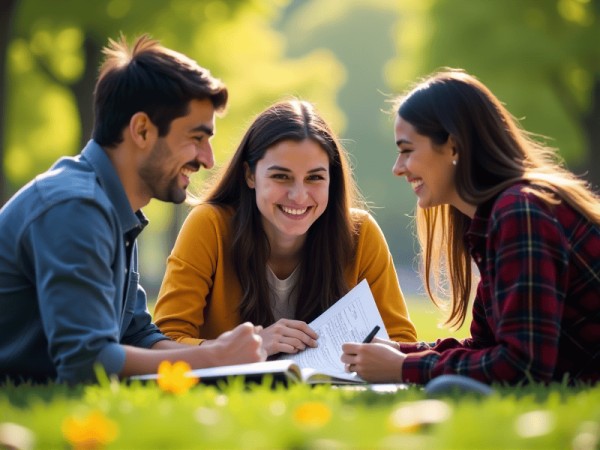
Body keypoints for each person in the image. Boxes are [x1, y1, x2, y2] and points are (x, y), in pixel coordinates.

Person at [0, 34, 265, 385]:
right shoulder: (75, 207)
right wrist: (213, 357)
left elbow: (136, 336)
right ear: (142, 130)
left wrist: (222, 357)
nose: (208, 159)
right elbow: (86, 360)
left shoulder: (114, 208)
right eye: (197, 138)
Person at [341, 69, 600, 385]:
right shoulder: (498, 217)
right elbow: (486, 348)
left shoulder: (521, 212)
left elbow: (522, 365)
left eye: (407, 150)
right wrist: (400, 353)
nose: (398, 168)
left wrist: (402, 368)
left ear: (453, 146)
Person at [153, 99, 417, 356]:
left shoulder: (361, 234)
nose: (299, 196)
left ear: (331, 181)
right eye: (281, 176)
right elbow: (166, 341)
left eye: (314, 178)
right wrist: (251, 346)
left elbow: (401, 344)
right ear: (249, 175)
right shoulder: (209, 225)